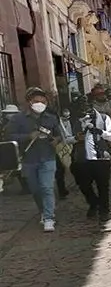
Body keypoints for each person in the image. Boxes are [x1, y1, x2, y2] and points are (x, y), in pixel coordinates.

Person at [7, 87, 62, 231]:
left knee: (47, 187)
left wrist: (56, 140)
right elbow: (9, 136)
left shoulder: (51, 118)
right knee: (36, 189)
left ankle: (49, 218)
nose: (40, 103)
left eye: (42, 101)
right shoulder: (18, 119)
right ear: (29, 102)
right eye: (36, 101)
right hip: (28, 159)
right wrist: (27, 136)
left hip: (48, 157)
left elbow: (58, 134)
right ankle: (43, 211)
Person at [67, 100, 111, 221]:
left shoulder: (104, 118)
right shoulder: (73, 122)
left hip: (101, 158)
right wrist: (76, 138)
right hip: (81, 159)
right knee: (83, 185)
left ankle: (104, 209)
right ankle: (94, 203)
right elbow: (66, 139)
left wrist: (99, 131)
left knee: (103, 186)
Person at [91, 85, 111, 170]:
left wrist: (107, 115)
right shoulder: (93, 105)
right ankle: (107, 162)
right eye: (98, 94)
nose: (101, 95)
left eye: (102, 93)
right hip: (99, 128)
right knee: (102, 146)